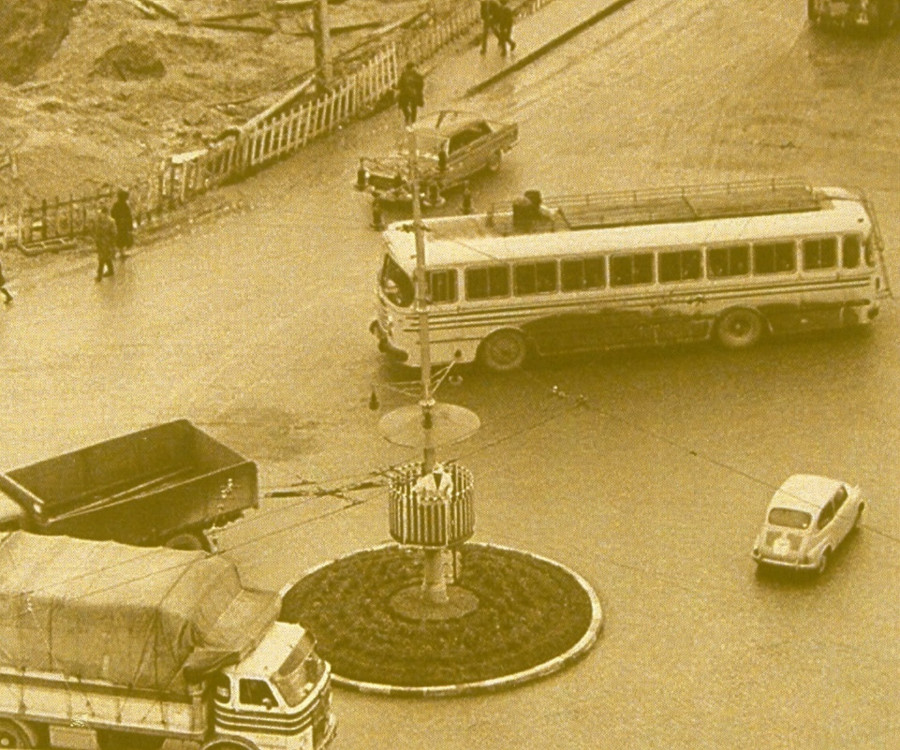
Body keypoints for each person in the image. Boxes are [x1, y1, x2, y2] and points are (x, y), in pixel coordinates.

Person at [110, 189, 134, 259]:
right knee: (120, 238)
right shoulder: (124, 205)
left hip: (120, 224)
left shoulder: (117, 205)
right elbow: (129, 216)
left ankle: (120, 252)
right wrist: (130, 225)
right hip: (121, 224)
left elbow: (113, 214)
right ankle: (119, 253)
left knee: (120, 238)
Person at [94, 207, 116, 281]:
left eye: (102, 213)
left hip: (107, 242)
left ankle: (99, 276)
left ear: (106, 213)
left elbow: (114, 233)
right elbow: (96, 231)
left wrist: (111, 243)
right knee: (105, 257)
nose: (101, 215)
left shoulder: (111, 221)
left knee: (102, 259)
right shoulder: (100, 221)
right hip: (100, 242)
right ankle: (111, 270)